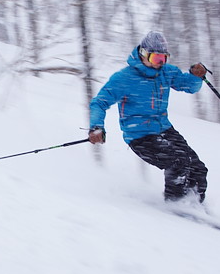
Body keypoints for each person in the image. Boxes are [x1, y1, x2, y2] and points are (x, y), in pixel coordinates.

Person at [89, 31, 209, 203]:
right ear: (143, 54)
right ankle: (176, 205)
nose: (159, 64)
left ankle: (195, 203)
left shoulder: (166, 72)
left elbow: (188, 86)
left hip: (164, 129)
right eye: (156, 59)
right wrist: (96, 127)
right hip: (140, 136)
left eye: (163, 59)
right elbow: (99, 103)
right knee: (178, 162)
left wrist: (195, 77)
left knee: (198, 168)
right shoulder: (124, 78)